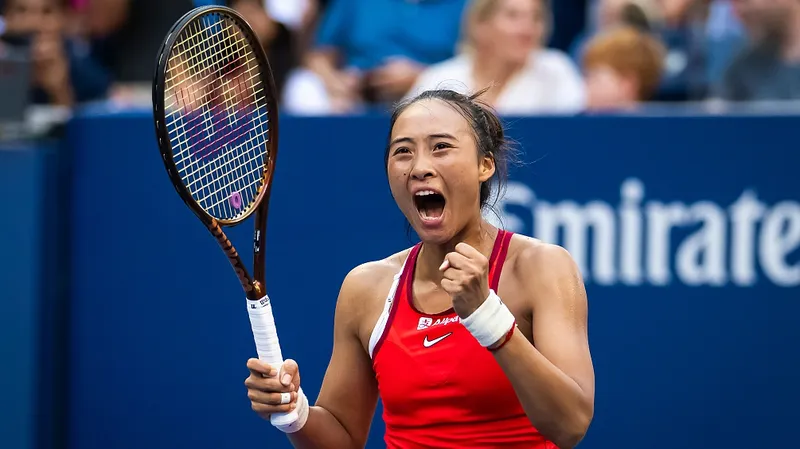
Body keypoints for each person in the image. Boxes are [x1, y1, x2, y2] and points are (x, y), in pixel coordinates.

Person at [244, 89, 595, 448]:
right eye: (403, 152)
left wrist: (487, 316)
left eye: (441, 147)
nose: (420, 167)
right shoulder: (367, 288)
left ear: (484, 165)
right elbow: (343, 436)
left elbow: (570, 424)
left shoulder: (541, 268)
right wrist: (294, 412)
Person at [407, 0, 586, 115]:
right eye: (513, 16)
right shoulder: (439, 77)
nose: (527, 28)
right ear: (480, 25)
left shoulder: (557, 70)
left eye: (536, 18)